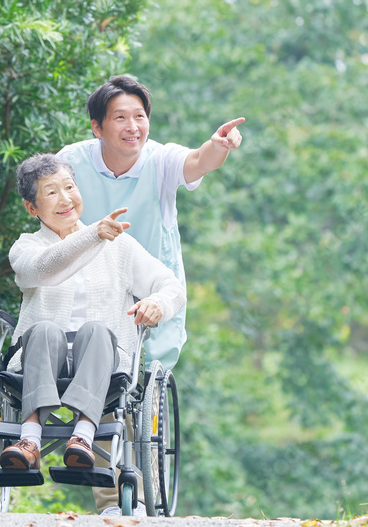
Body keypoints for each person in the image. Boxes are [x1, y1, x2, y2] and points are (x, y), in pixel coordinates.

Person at [0, 153, 186, 473]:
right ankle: (29, 440)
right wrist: (92, 235)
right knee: (44, 329)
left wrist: (159, 303)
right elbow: (45, 269)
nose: (65, 198)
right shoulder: (26, 247)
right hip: (40, 356)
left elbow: (171, 285)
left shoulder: (119, 246)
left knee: (98, 330)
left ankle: (84, 436)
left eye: (69, 187)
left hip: (104, 360)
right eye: (51, 192)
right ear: (32, 207)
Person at [58, 74, 244, 372]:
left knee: (145, 377)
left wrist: (219, 146)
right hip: (88, 287)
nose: (133, 127)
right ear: (97, 127)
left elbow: (198, 161)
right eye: (120, 117)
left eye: (140, 117)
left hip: (151, 288)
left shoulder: (161, 160)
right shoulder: (69, 162)